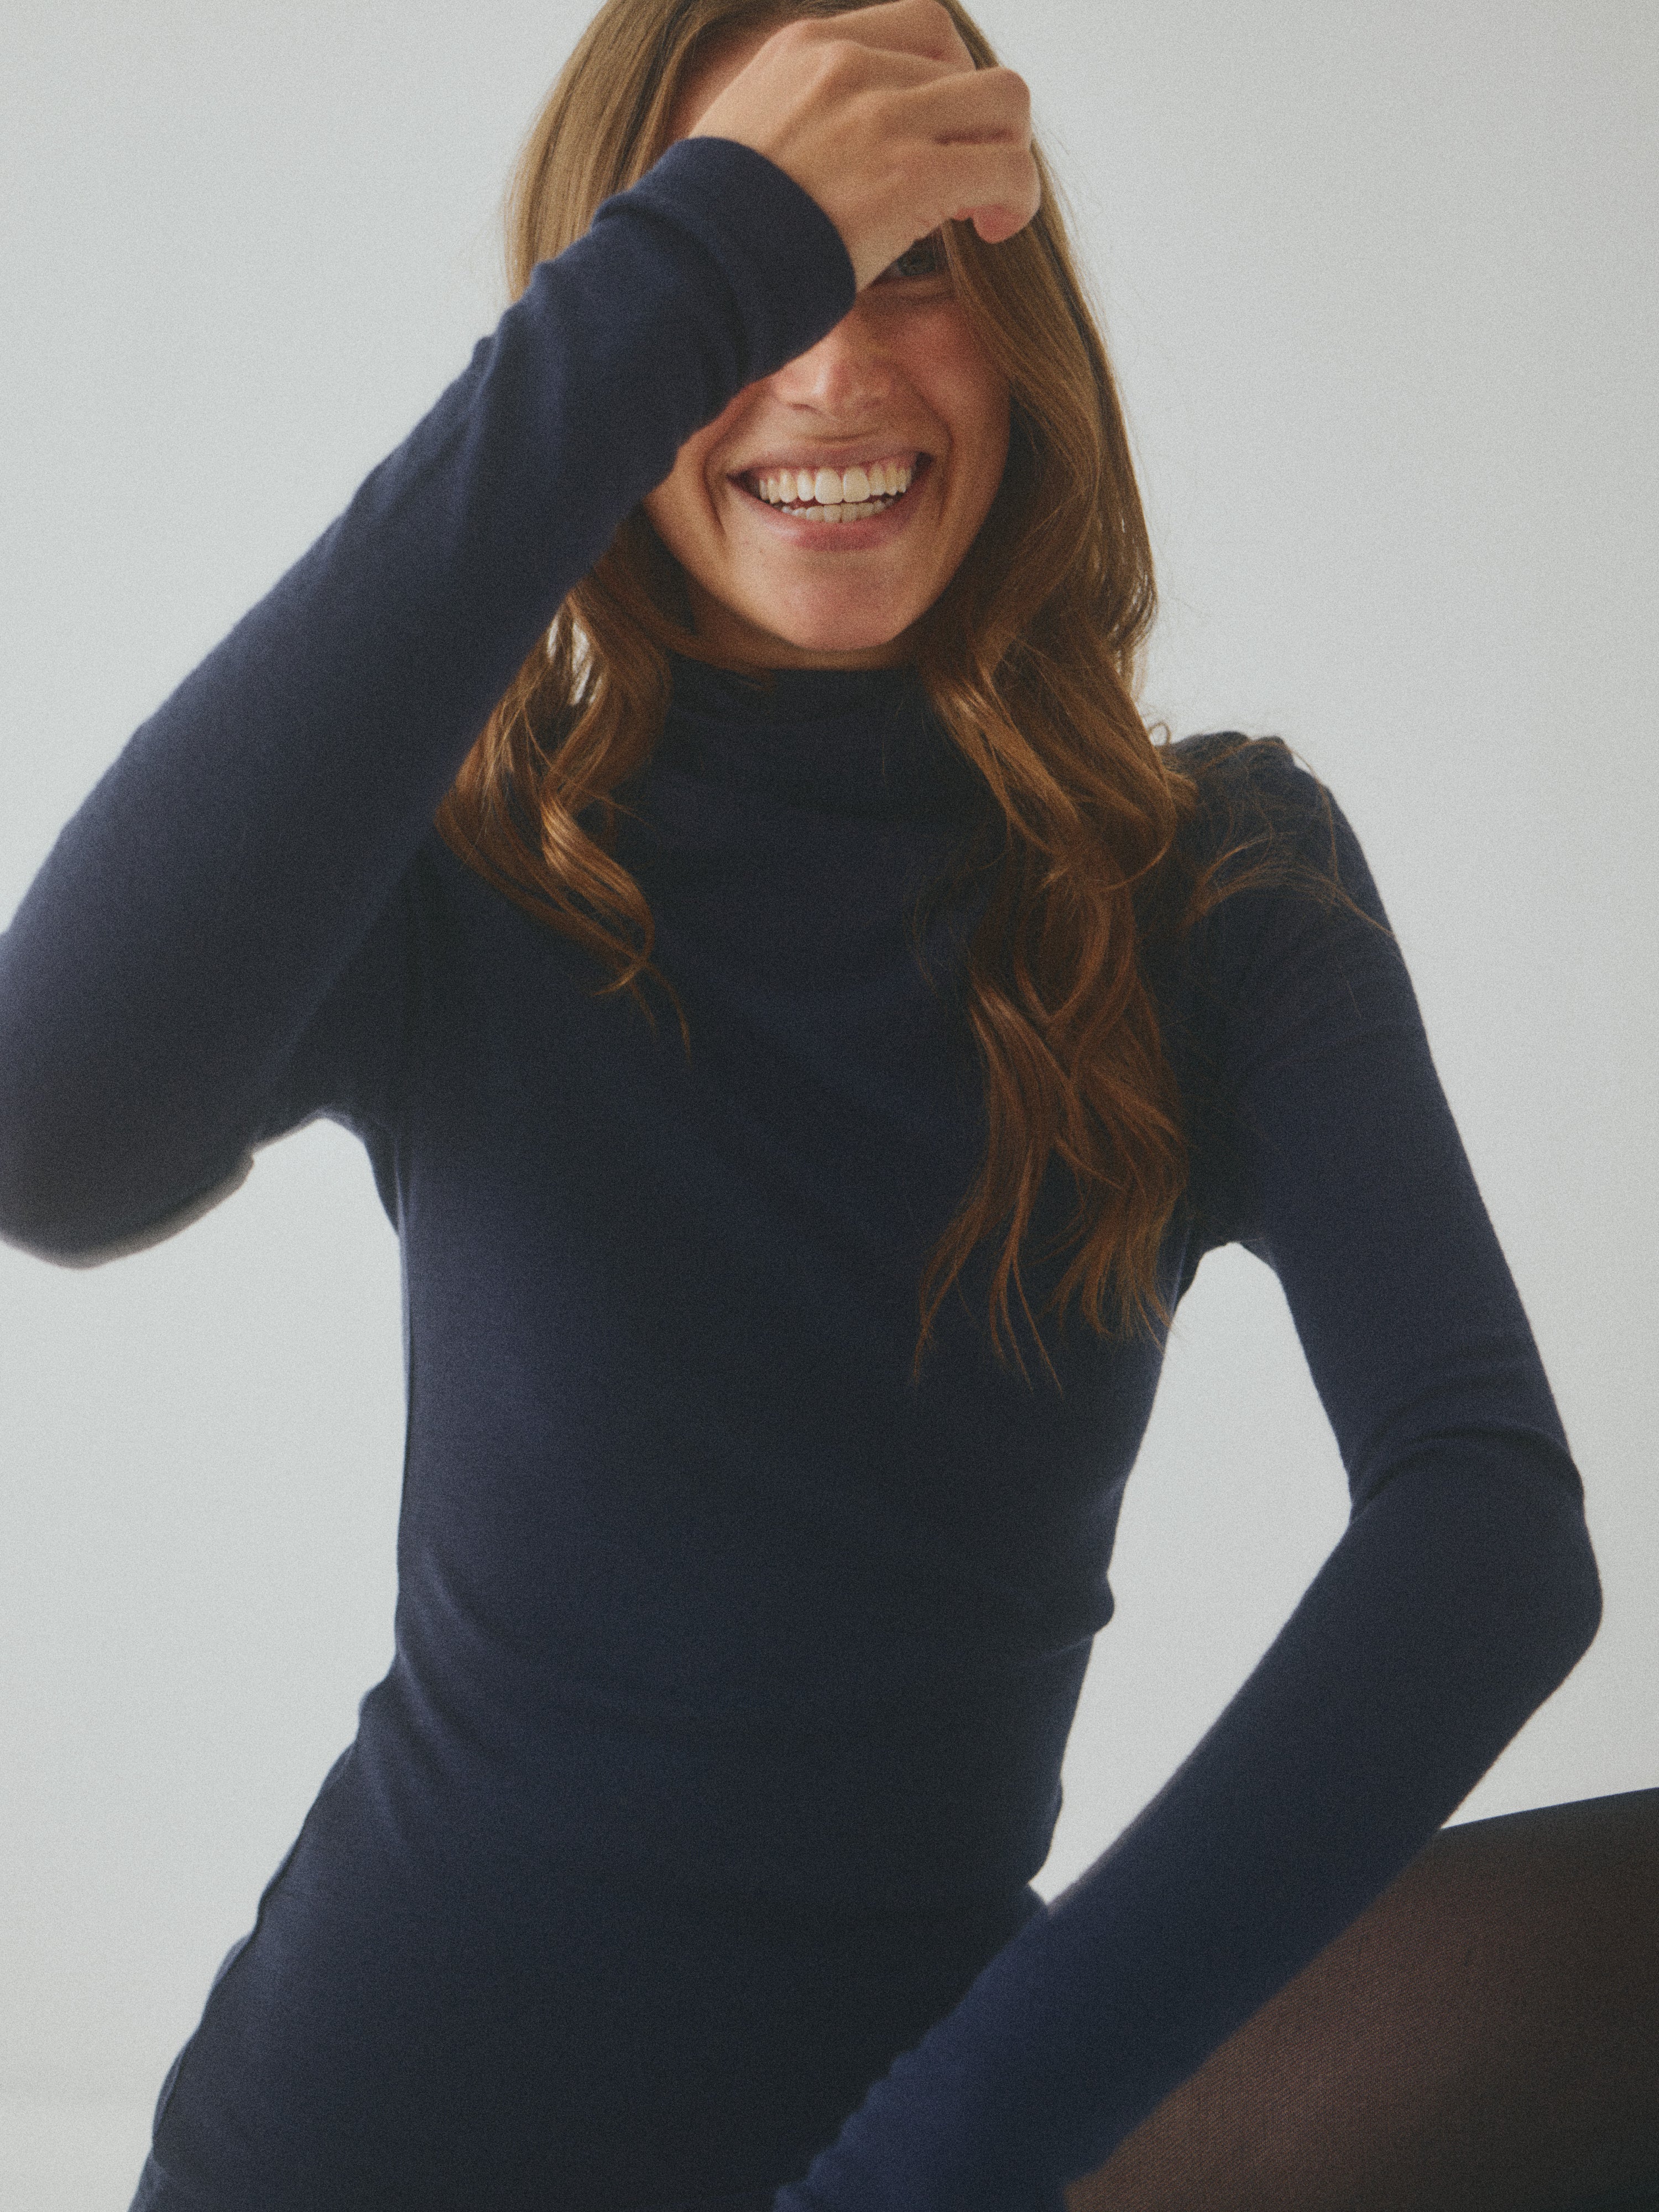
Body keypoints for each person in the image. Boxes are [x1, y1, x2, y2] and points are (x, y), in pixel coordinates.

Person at [0, 1, 1652, 2205]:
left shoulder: (1215, 886)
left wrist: (934, 2164)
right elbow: (48, 1133)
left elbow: (1486, 1537)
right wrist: (670, 285)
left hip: (905, 2140)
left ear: (1025, 341)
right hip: (377, 2138)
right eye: (763, 267)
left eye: (911, 264)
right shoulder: (476, 868)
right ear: (627, 318)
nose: (835, 366)